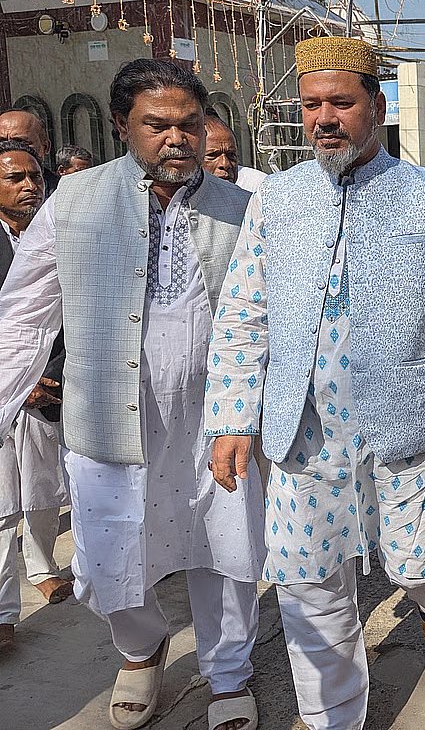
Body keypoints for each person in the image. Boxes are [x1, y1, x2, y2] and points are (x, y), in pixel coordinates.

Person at [205, 36, 425, 730]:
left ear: (376, 106)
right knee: (308, 583)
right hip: (305, 437)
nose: (324, 116)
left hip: (410, 427)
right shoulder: (279, 200)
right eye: (311, 104)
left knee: (420, 565)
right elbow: (244, 310)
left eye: (341, 102)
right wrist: (234, 414)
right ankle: (335, 716)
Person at [0, 60, 263, 730]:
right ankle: (141, 651)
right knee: (111, 552)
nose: (178, 138)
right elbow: (26, 314)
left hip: (214, 417)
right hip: (109, 417)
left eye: (190, 123)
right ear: (123, 125)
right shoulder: (75, 200)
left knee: (223, 545)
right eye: (158, 124)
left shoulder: (242, 209)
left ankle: (228, 670)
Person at [0, 139, 70, 653]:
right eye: (14, 178)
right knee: (4, 509)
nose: (30, 186)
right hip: (7, 392)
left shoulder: (57, 234)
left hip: (57, 387)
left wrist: (55, 378)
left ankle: (45, 565)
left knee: (47, 492)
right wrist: (17, 383)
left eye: (35, 177)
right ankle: (4, 615)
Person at [202, 112, 267, 192]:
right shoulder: (185, 201)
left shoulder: (256, 189)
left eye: (231, 155)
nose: (225, 164)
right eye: (212, 155)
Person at [0, 108, 57, 193]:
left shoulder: (64, 194)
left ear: (45, 147)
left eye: (21, 142)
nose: (10, 149)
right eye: (2, 142)